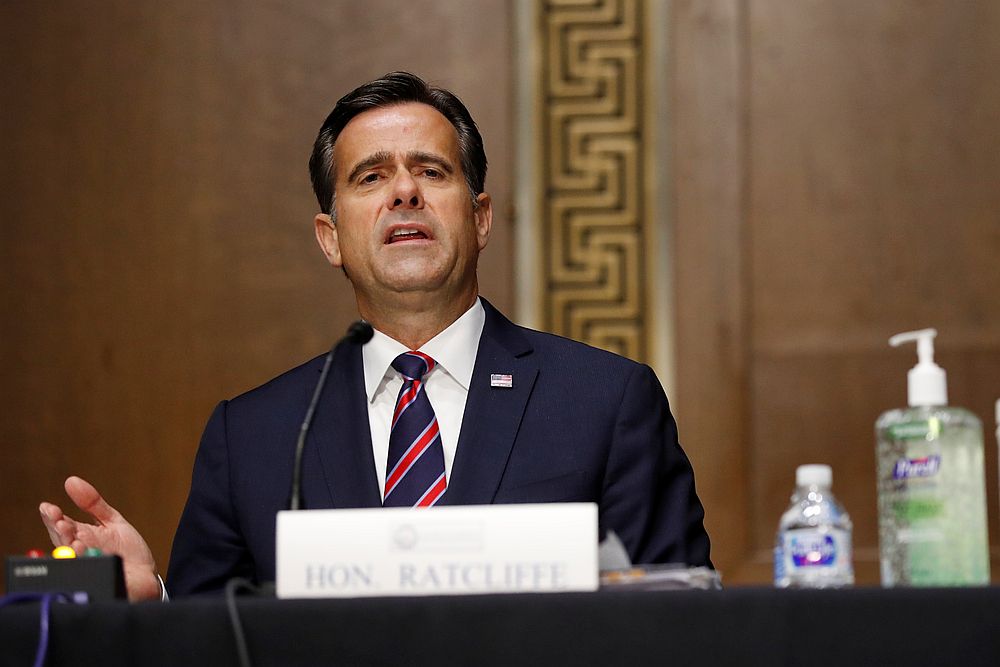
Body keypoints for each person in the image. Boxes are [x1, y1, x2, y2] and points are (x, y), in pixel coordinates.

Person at [39, 72, 711, 600]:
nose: (404, 193)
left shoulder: (606, 400)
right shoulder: (254, 437)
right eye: (371, 177)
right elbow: (214, 636)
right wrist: (151, 601)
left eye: (432, 170)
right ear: (330, 237)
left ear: (480, 218)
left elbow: (680, 618)